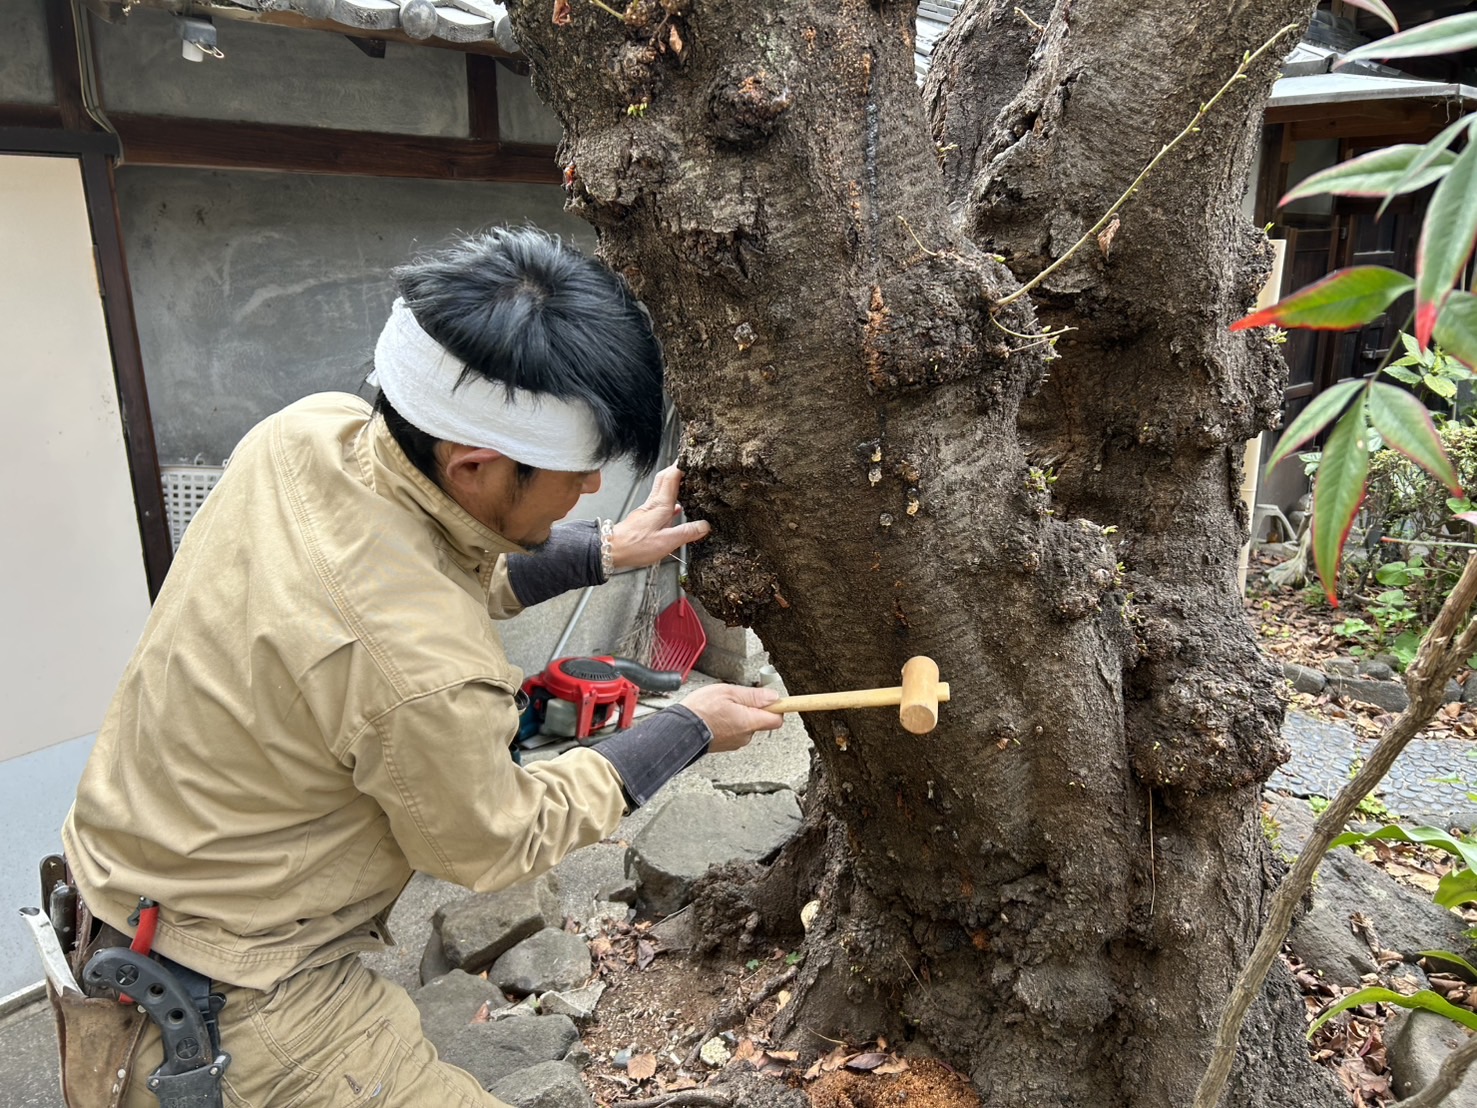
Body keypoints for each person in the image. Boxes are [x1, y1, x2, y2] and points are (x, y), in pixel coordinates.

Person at [58, 226, 784, 1108]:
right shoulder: (422, 671)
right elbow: (493, 841)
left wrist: (604, 550)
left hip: (128, 904)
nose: (588, 493)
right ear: (474, 467)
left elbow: (415, 571)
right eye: (576, 476)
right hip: (237, 1005)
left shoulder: (306, 435)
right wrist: (686, 729)